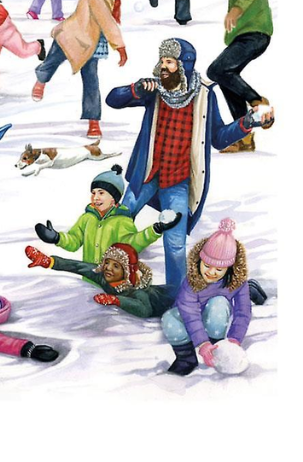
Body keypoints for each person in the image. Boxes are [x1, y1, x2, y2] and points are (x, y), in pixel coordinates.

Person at [105, 37, 272, 287]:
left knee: (174, 242)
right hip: (147, 174)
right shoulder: (155, 89)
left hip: (178, 181)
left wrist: (245, 123)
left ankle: (176, 294)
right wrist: (134, 89)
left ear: (184, 65)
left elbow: (218, 138)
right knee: (118, 220)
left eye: (170, 62)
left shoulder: (204, 95)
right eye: (162, 61)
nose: (163, 66)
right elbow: (112, 100)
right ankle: (107, 272)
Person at [32, 0, 126, 137]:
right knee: (51, 63)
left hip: (91, 41)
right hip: (69, 35)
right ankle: (41, 81)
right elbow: (107, 22)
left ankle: (93, 122)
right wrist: (120, 47)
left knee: (91, 80)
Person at [162, 217, 256, 376]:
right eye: (207, 265)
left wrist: (235, 339)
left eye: (219, 269)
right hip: (191, 320)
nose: (211, 272)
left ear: (229, 268)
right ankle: (186, 358)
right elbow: (189, 313)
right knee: (169, 318)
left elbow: (243, 312)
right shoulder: (191, 282)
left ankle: (217, 348)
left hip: (215, 319)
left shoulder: (238, 283)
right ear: (199, 260)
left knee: (218, 302)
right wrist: (202, 343)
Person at [31, 163, 173, 268]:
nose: (96, 197)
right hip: (89, 278)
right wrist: (57, 238)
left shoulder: (122, 221)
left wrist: (154, 231)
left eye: (101, 193)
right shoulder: (87, 218)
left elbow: (132, 244)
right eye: (93, 193)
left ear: (113, 199)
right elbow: (74, 241)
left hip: (113, 281)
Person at [207, 0, 273, 151]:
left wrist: (236, 10)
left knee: (217, 70)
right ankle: (243, 136)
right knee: (225, 76)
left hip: (254, 33)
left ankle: (257, 102)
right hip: (246, 34)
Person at [24, 241, 176, 319]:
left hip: (172, 298)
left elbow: (144, 310)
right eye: (107, 262)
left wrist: (116, 300)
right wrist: (49, 262)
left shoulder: (136, 291)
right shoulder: (104, 276)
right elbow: (79, 266)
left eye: (116, 266)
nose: (108, 268)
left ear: (126, 272)